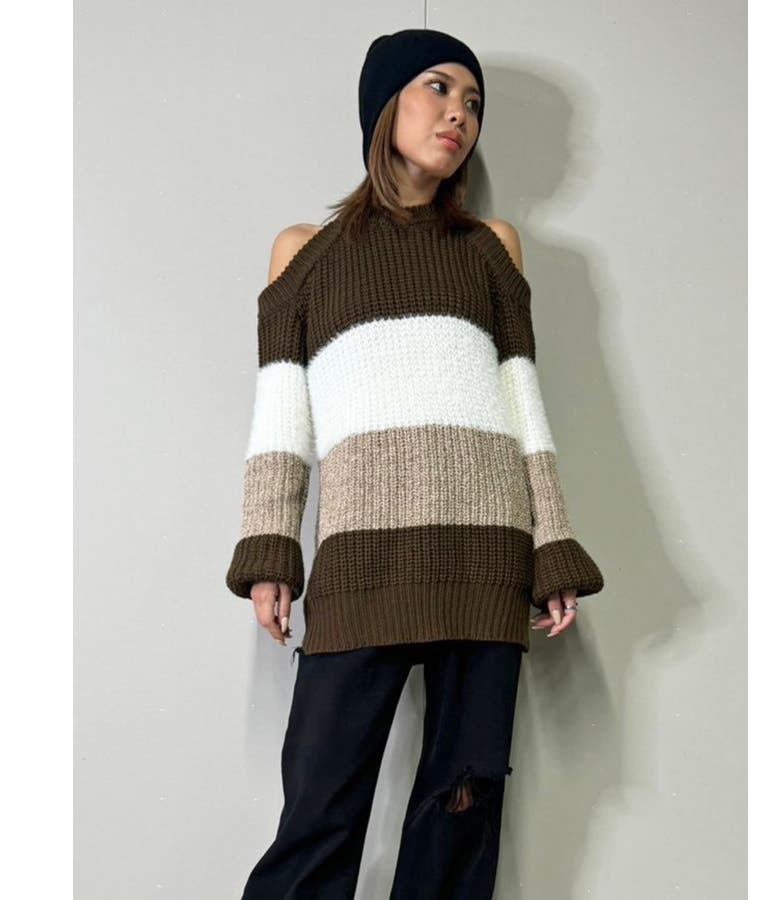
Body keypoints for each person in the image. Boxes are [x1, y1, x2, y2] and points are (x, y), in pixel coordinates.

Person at [225, 27, 605, 900]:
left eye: (473, 102)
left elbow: (522, 404)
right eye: (438, 88)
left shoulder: (491, 245)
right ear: (384, 104)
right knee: (319, 815)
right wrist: (270, 547)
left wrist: (553, 543)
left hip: (486, 557)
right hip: (363, 560)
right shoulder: (304, 253)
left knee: (459, 816)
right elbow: (282, 414)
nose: (458, 114)